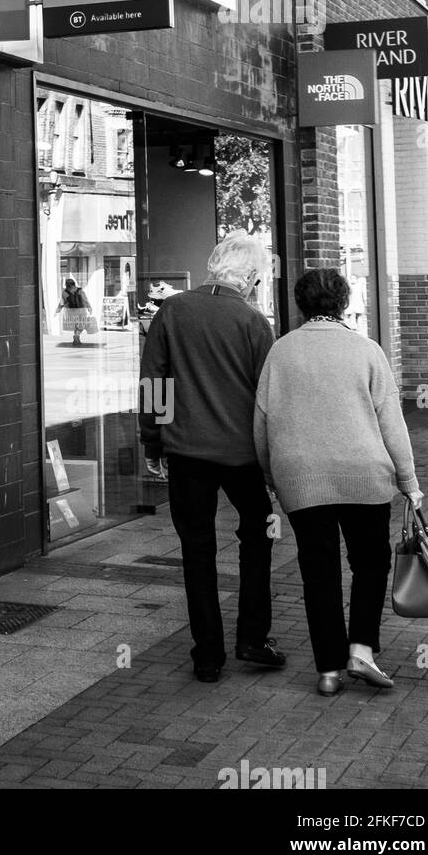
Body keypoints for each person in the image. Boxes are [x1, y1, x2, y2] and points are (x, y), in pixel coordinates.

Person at [255, 269, 423, 698]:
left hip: (301, 479)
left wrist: (274, 477)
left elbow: (262, 423)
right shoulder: (366, 350)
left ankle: (328, 669)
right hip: (364, 475)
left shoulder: (281, 352)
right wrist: (408, 480)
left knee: (318, 571)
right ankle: (361, 650)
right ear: (343, 303)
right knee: (370, 564)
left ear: (301, 304)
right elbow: (391, 421)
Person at [139, 233, 282, 683]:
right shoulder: (255, 323)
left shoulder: (173, 311)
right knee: (257, 539)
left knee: (196, 549)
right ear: (252, 278)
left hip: (187, 453)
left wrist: (152, 440)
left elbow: (155, 382)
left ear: (213, 267)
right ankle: (253, 638)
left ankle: (207, 654)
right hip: (242, 456)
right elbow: (268, 400)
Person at [56, 276, 92, 346]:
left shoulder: (65, 292)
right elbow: (85, 300)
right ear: (74, 283)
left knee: (76, 325)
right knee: (82, 324)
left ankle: (76, 340)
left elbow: (62, 302)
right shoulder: (79, 290)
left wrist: (58, 309)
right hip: (81, 309)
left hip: (71, 311)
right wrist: (89, 307)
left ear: (66, 285)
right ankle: (76, 336)